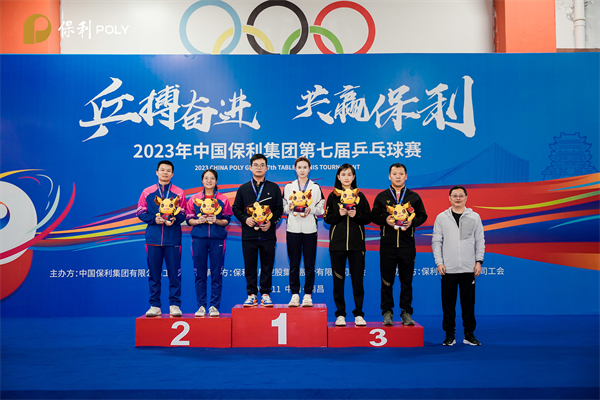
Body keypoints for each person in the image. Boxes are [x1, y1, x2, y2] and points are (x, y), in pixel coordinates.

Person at [371, 163, 427, 326]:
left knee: (406, 281)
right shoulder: (382, 196)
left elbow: (423, 216)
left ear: (406, 176)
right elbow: (373, 216)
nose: (398, 176)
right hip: (387, 246)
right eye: (394, 174)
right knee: (386, 281)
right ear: (389, 176)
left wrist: (412, 223)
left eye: (401, 174)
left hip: (407, 245)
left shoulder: (413, 197)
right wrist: (385, 220)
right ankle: (387, 312)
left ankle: (406, 312)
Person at [432, 185, 484, 346]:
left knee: (468, 304)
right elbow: (436, 241)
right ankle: (449, 335)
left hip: (469, 268)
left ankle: (469, 335)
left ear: (466, 198)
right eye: (455, 195)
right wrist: (439, 262)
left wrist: (479, 261)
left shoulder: (474, 217)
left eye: (461, 195)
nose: (458, 198)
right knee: (448, 304)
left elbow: (480, 240)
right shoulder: (442, 217)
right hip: (448, 268)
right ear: (449, 198)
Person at [232, 154, 284, 307]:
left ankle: (266, 294)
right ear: (250, 167)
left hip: (268, 235)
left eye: (262, 165)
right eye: (256, 165)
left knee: (267, 266)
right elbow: (236, 209)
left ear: (266, 168)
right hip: (249, 236)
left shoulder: (274, 188)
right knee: (250, 266)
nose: (259, 168)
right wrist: (245, 219)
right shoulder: (243, 189)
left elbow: (279, 209)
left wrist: (271, 222)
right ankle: (252, 295)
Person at [323, 164, 371, 327]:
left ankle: (359, 314)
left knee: (358, 281)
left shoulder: (360, 196)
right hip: (337, 246)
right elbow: (327, 218)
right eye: (343, 174)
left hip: (357, 246)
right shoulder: (333, 196)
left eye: (349, 174)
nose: (346, 177)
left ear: (353, 177)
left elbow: (368, 217)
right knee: (338, 281)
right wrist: (339, 214)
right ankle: (340, 314)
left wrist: (356, 215)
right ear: (338, 177)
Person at [137, 161, 186, 317]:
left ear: (172, 174)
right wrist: (154, 219)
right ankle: (155, 305)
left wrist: (175, 219)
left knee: (174, 274)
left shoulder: (179, 193)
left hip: (173, 239)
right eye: (162, 170)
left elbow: (183, 213)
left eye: (168, 170)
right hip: (153, 239)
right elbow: (140, 212)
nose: (165, 173)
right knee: (154, 274)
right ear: (157, 172)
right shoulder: (147, 192)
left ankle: (174, 304)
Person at [185, 169, 232, 318]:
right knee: (200, 274)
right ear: (202, 180)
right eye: (206, 178)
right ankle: (201, 306)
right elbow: (188, 219)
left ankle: (214, 306)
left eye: (212, 178)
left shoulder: (223, 199)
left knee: (216, 275)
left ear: (216, 181)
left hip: (217, 240)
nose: (209, 181)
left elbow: (227, 220)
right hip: (198, 239)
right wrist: (197, 221)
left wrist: (216, 221)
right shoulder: (194, 199)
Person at [283, 157, 325, 307]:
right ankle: (295, 295)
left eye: (305, 167)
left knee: (309, 264)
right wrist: (290, 207)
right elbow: (283, 208)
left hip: (310, 230)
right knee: (294, 264)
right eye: (299, 167)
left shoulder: (315, 187)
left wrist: (310, 210)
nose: (302, 170)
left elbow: (321, 209)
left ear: (309, 169)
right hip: (292, 230)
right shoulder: (289, 187)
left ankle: (308, 295)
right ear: (295, 169)